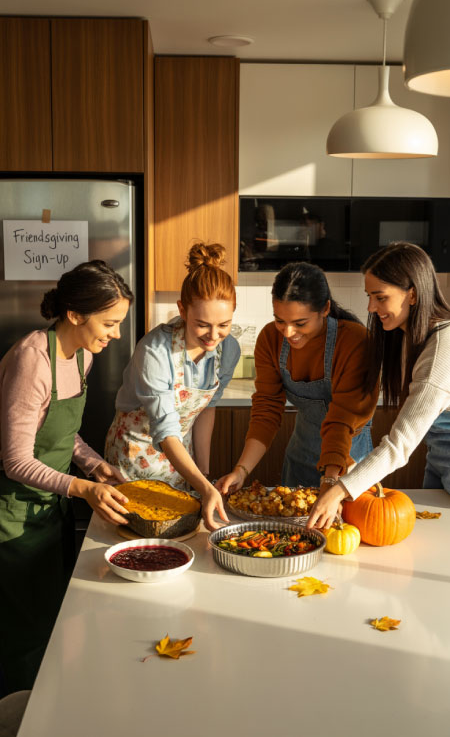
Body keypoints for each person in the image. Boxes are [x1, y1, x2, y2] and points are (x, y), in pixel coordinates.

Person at [0, 260, 134, 694]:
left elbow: (62, 431)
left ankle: (53, 702)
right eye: (110, 323)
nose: (115, 334)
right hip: (13, 512)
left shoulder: (83, 357)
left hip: (50, 507)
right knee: (23, 628)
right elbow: (16, 460)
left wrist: (94, 464)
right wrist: (82, 487)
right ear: (75, 314)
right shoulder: (31, 359)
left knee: (53, 613)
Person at [307, 242, 450, 529]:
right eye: (369, 296)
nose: (371, 308)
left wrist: (339, 489)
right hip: (438, 459)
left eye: (380, 297)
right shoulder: (412, 336)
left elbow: (400, 445)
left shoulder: (441, 351)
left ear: (412, 294)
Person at [105, 242, 240, 531]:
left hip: (182, 459)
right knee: (133, 536)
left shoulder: (228, 351)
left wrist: (203, 475)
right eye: (202, 324)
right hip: (134, 456)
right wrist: (204, 487)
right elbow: (165, 429)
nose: (214, 336)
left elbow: (206, 409)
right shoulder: (154, 351)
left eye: (224, 325)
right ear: (182, 309)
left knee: (182, 534)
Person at [216, 262, 378, 498]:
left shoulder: (354, 341)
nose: (288, 332)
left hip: (350, 466)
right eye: (280, 320)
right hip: (300, 458)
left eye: (300, 323)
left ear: (325, 309)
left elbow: (342, 419)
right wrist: (241, 471)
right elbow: (266, 410)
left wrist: (331, 482)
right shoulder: (270, 339)